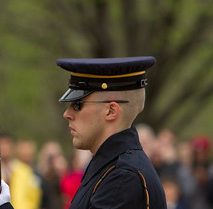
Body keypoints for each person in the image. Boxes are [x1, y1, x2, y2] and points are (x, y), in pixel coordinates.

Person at [58, 57, 166, 208]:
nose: (67, 114)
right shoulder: (111, 167)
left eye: (77, 105)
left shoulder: (122, 177)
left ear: (111, 111)